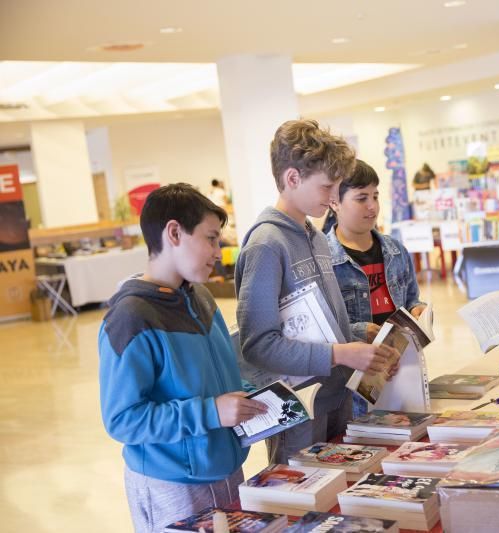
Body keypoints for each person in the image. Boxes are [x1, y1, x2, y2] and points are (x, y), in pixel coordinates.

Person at [98, 183, 268, 533]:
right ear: (174, 232)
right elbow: (123, 419)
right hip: (172, 484)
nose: (218, 252)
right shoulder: (130, 317)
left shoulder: (201, 297)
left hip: (227, 469)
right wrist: (210, 412)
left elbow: (221, 376)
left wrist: (251, 396)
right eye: (211, 239)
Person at [235, 120, 398, 463]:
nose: (334, 197)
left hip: (336, 397)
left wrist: (359, 342)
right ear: (292, 178)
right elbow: (258, 345)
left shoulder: (314, 235)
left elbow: (319, 325)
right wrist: (339, 354)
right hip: (299, 410)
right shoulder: (266, 245)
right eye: (327, 187)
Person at [325, 159, 426, 417]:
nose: (372, 207)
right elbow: (323, 329)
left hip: (402, 370)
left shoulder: (395, 251)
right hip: (353, 384)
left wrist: (419, 312)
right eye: (361, 198)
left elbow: (412, 299)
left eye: (375, 196)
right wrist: (360, 331)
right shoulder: (323, 261)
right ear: (335, 202)